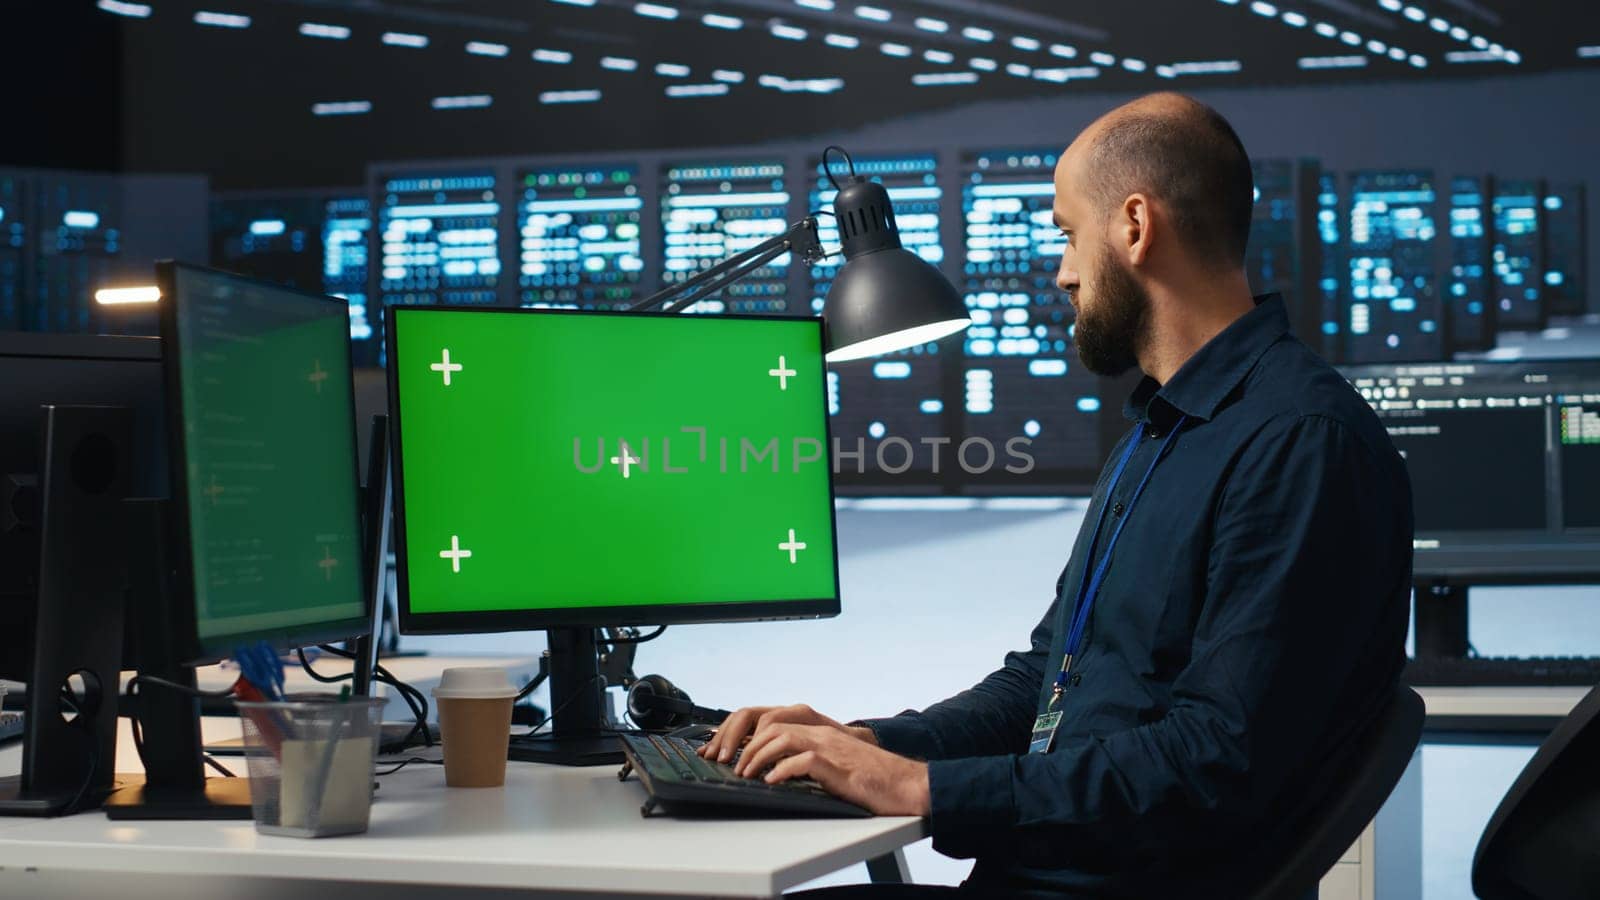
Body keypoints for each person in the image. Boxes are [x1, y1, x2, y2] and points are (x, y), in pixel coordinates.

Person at [700, 92, 1413, 897]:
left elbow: (1211, 761)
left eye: (1069, 236)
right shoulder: (1164, 428)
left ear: (1135, 228)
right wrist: (873, 745)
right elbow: (1047, 682)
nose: (1062, 272)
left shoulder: (1299, 444)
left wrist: (920, 792)